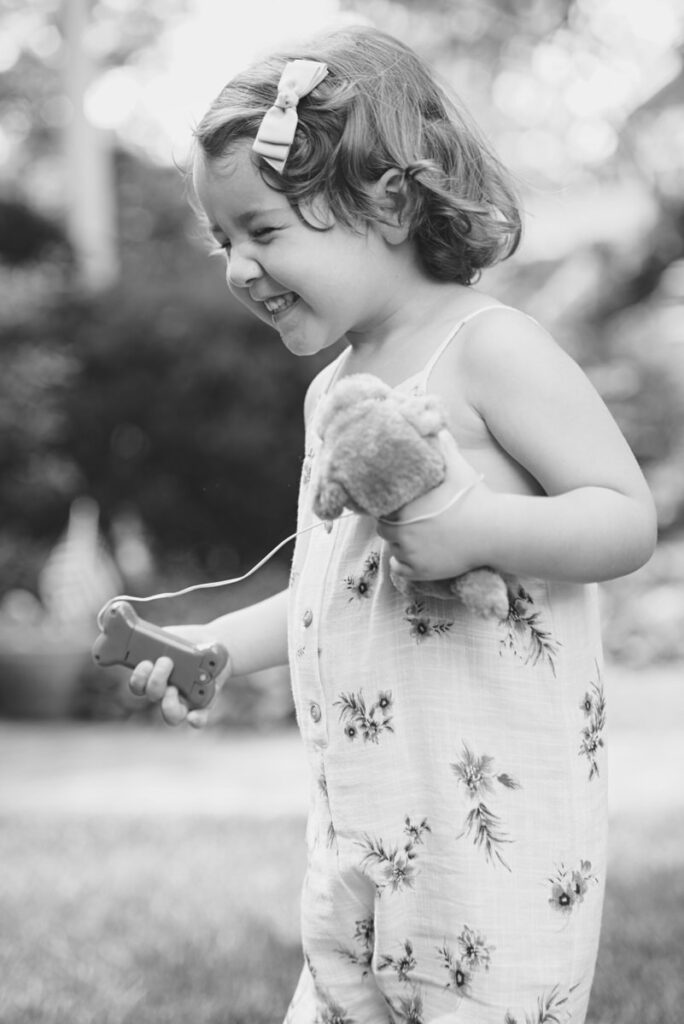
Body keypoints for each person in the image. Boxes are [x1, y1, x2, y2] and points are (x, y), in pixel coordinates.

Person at [129, 25, 657, 1024]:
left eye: (265, 231)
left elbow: (623, 518)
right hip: (363, 836)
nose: (238, 268)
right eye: (222, 241)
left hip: (492, 844)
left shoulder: (490, 349)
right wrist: (216, 646)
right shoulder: (333, 391)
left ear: (389, 202)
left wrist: (477, 525)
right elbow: (338, 585)